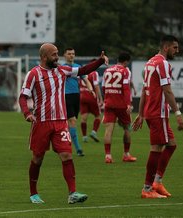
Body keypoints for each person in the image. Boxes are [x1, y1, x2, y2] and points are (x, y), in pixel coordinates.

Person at [18, 43, 108, 204]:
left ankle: (72, 193)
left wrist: (100, 61)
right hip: (42, 123)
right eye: (54, 54)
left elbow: (82, 71)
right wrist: (27, 113)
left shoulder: (62, 70)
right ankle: (33, 193)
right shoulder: (33, 74)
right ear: (44, 57)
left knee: (66, 155)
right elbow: (23, 97)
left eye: (57, 53)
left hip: (60, 122)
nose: (57, 57)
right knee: (37, 158)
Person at [132, 35, 183, 199]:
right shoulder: (162, 63)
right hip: (158, 113)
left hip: (151, 112)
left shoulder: (150, 62)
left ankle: (157, 182)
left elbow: (143, 90)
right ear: (166, 47)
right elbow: (167, 90)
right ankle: (147, 188)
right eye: (175, 47)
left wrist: (141, 114)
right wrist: (178, 114)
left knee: (171, 144)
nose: (177, 51)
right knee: (157, 148)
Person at [102, 52, 137, 164]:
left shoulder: (107, 70)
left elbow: (103, 87)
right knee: (127, 128)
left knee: (108, 130)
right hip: (121, 104)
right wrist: (128, 104)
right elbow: (126, 88)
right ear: (126, 61)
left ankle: (108, 156)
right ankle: (126, 154)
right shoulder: (125, 70)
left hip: (109, 103)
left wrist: (105, 100)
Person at [63, 48, 93, 156]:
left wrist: (90, 89)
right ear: (64, 55)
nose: (71, 55)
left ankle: (62, 142)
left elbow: (85, 79)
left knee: (70, 123)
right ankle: (78, 148)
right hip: (65, 97)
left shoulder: (78, 67)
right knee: (73, 121)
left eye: (73, 54)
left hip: (76, 97)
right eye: (69, 54)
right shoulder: (61, 68)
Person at [79, 63, 103, 143]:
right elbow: (96, 86)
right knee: (98, 116)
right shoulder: (94, 73)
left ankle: (84, 137)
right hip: (91, 97)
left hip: (82, 97)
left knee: (83, 118)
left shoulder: (81, 73)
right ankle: (94, 132)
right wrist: (100, 98)